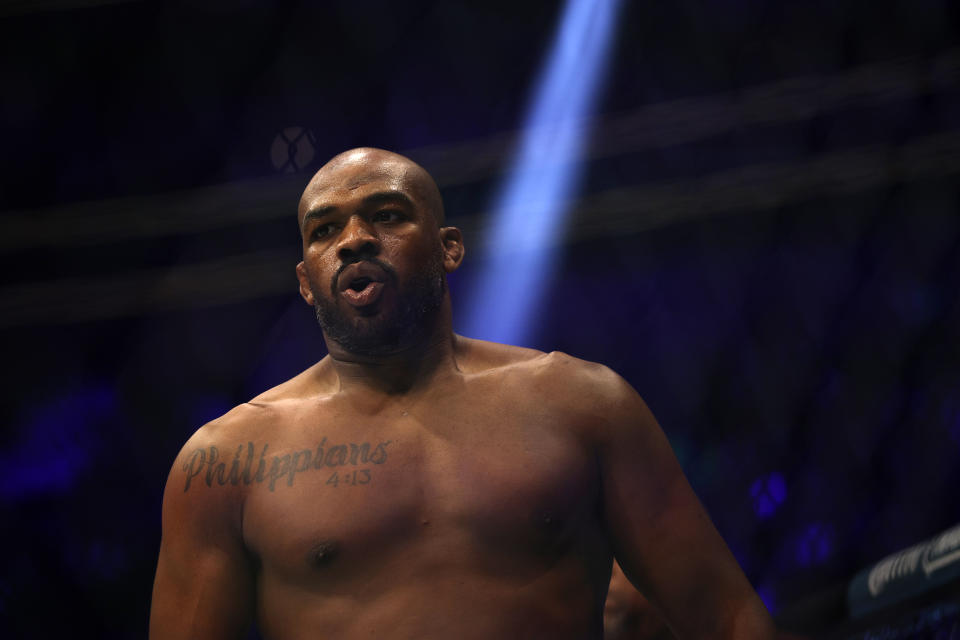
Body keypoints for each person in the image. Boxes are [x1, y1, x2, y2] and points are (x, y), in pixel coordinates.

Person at [149, 148, 775, 639]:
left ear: (449, 248)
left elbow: (727, 621)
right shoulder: (227, 461)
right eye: (325, 230)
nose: (355, 239)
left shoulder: (583, 405)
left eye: (387, 215)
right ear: (306, 282)